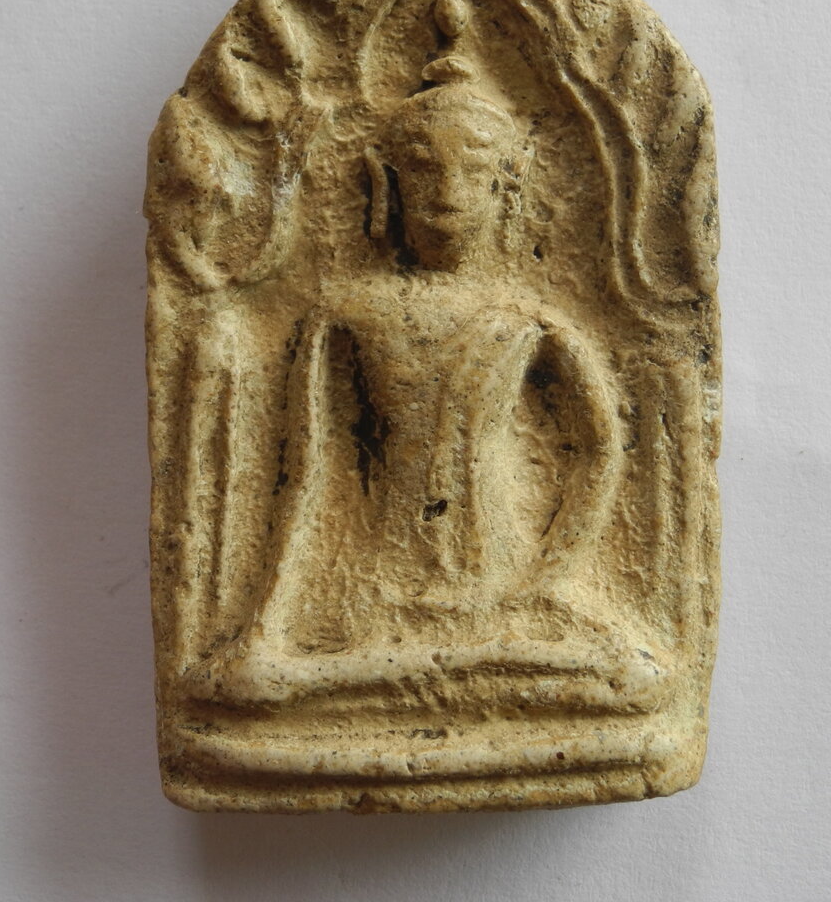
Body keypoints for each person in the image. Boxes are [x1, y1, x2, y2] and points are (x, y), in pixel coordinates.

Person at [200, 60, 666, 711]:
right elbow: (308, 475)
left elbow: (601, 450)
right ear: (387, 182)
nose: (448, 191)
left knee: (637, 678)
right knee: (257, 680)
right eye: (425, 170)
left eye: (473, 170)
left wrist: (548, 578)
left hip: (504, 586)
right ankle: (435, 675)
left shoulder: (529, 324)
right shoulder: (345, 317)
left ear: (507, 185)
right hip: (377, 587)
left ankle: (423, 675)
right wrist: (268, 621)